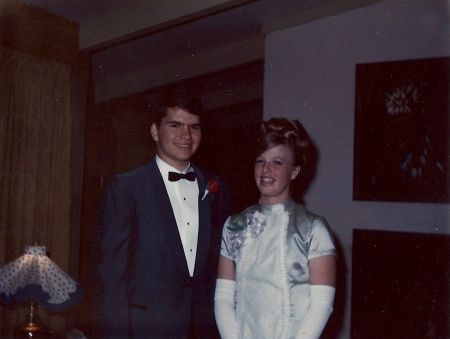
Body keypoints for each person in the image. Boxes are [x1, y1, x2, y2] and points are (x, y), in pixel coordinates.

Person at [93, 86, 229, 339]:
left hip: (203, 328)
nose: (186, 135)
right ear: (155, 131)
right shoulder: (125, 188)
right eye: (175, 125)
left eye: (194, 127)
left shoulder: (216, 187)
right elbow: (112, 277)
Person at [214, 117, 336, 339]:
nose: (266, 170)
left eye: (277, 162)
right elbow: (223, 297)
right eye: (260, 161)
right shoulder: (234, 225)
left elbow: (321, 306)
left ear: (295, 171)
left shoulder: (313, 229)